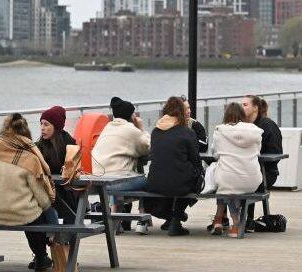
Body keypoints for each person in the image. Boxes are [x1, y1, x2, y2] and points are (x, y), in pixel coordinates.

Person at [0, 113, 58, 272]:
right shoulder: (29, 158)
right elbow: (43, 199)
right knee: (42, 211)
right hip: (19, 214)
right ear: (26, 134)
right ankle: (43, 255)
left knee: (32, 210)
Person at [144, 96, 203, 236]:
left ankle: (171, 217)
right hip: (179, 184)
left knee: (172, 173)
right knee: (193, 177)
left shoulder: (155, 131)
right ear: (181, 113)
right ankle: (176, 218)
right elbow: (196, 161)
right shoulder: (187, 132)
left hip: (155, 182)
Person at [92, 97, 151, 234]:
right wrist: (141, 128)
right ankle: (142, 220)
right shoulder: (130, 129)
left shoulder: (108, 127)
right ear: (131, 115)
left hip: (100, 179)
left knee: (118, 175)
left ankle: (115, 224)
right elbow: (147, 147)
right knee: (147, 180)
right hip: (115, 182)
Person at [209, 102, 263, 238]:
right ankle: (219, 220)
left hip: (227, 179)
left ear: (226, 115)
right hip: (253, 179)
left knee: (224, 179)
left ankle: (234, 223)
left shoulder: (220, 131)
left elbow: (215, 154)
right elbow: (258, 151)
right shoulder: (255, 131)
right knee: (227, 181)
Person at [242, 95, 283, 231]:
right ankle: (222, 220)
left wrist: (256, 158)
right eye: (241, 104)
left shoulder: (268, 125)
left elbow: (276, 154)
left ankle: (246, 221)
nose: (242, 107)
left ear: (255, 108)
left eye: (245, 105)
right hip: (243, 171)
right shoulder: (240, 126)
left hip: (266, 173)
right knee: (223, 178)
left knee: (244, 181)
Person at [35, 106, 80, 224]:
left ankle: (59, 238)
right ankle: (54, 236)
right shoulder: (39, 146)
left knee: (51, 200)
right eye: (41, 124)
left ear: (56, 126)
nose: (42, 128)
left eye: (46, 124)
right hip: (47, 191)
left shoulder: (70, 145)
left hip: (65, 191)